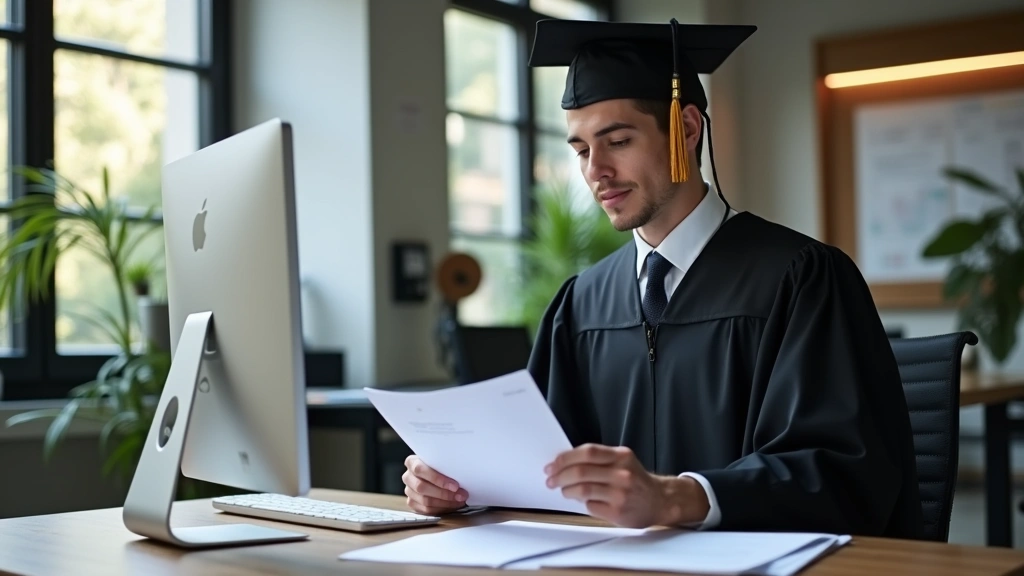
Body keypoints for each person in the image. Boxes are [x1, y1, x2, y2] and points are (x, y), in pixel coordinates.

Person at [402, 18, 923, 538]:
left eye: (618, 140)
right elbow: (538, 468)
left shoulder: (801, 278)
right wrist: (461, 485)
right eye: (581, 150)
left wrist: (677, 497)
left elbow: (844, 471)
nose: (595, 170)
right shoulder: (582, 304)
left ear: (688, 129)